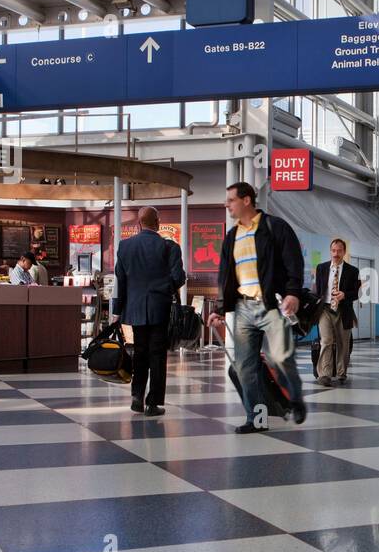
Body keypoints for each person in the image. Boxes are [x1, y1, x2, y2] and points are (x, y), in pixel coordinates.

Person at [209, 182, 308, 432]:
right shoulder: (232, 236)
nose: (226, 204)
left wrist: (293, 293)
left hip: (271, 305)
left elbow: (293, 262)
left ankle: (294, 400)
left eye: (230, 200)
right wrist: (219, 309)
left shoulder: (275, 227)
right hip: (243, 308)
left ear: (246, 201)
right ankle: (258, 419)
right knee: (245, 367)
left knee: (280, 358)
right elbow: (225, 276)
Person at [115, 206, 185, 416]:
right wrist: (165, 289)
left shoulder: (125, 246)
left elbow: (121, 280)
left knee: (139, 352)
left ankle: (137, 396)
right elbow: (178, 277)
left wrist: (118, 310)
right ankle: (153, 402)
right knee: (157, 355)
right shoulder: (169, 247)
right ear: (158, 223)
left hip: (135, 308)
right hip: (159, 307)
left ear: (139, 223)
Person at [313, 237, 360, 386]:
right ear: (330, 251)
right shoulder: (321, 268)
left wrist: (344, 295)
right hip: (325, 309)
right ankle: (325, 374)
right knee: (326, 341)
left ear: (344, 252)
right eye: (333, 250)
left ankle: (341, 373)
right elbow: (317, 291)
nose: (336, 253)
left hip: (343, 310)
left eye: (339, 251)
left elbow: (355, 294)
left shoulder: (353, 271)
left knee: (343, 343)